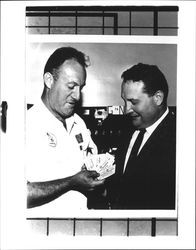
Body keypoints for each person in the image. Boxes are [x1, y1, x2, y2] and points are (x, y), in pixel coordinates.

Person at [26, 47, 105, 214]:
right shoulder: (26, 125)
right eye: (71, 86)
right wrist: (71, 182)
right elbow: (16, 194)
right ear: (49, 80)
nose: (77, 96)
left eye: (80, 88)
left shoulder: (79, 123)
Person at [106, 63, 176, 209]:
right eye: (124, 101)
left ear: (158, 98)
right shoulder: (127, 128)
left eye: (133, 102)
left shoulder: (178, 139)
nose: (126, 110)